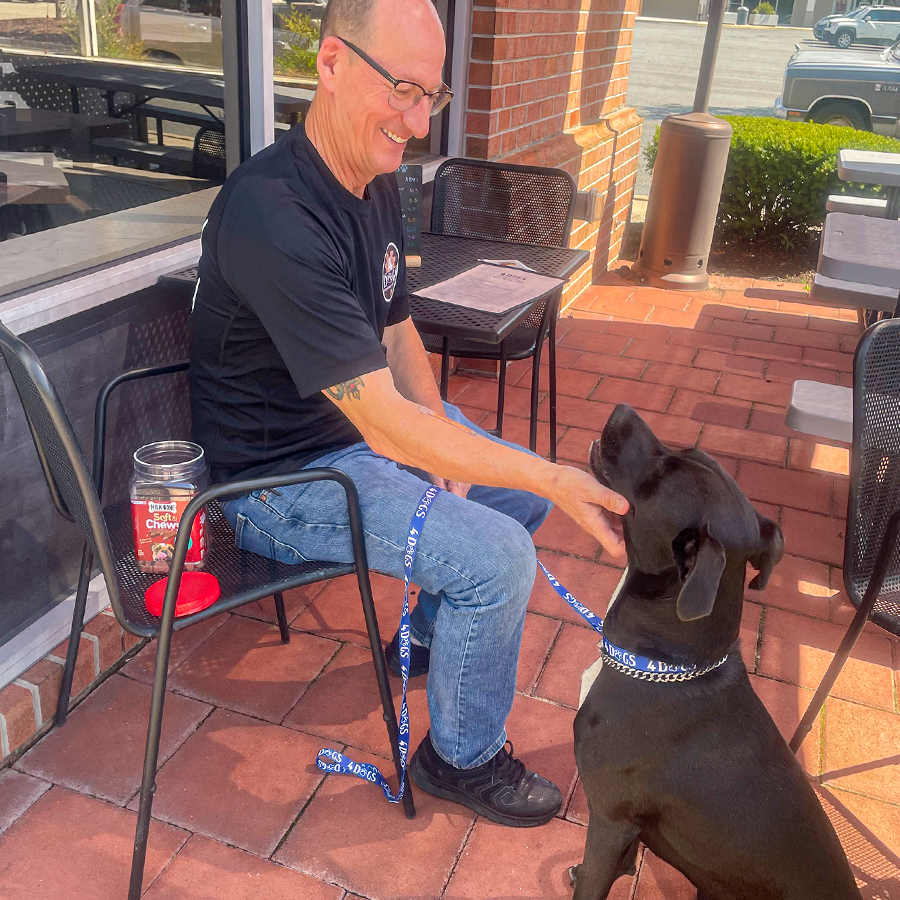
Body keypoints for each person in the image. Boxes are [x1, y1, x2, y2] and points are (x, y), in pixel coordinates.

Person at [189, 0, 627, 827]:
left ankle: (430, 636)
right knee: (499, 553)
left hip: (349, 437)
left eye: (432, 96)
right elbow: (383, 425)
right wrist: (531, 467)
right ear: (328, 64)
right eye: (400, 88)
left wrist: (448, 439)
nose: (417, 121)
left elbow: (396, 331)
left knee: (511, 495)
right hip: (274, 482)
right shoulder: (273, 212)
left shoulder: (372, 182)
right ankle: (459, 758)